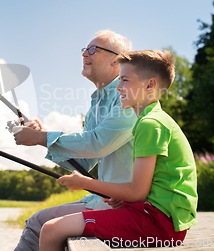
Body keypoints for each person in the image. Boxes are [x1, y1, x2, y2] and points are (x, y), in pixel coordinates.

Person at [39, 50, 198, 251]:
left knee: (51, 229)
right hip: (157, 218)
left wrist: (85, 183)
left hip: (158, 223)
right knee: (54, 228)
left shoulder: (150, 124)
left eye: (124, 81)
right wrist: (121, 199)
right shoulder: (153, 120)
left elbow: (136, 192)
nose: (118, 88)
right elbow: (146, 189)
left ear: (150, 85)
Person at [13, 30, 137, 251]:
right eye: (84, 50)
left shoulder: (129, 96)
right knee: (36, 222)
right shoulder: (96, 105)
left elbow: (99, 143)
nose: (84, 55)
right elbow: (84, 162)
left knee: (37, 224)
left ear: (116, 61)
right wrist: (43, 138)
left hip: (125, 203)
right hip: (105, 200)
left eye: (92, 50)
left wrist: (43, 137)